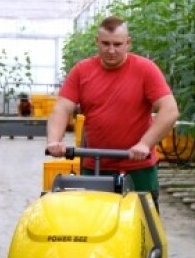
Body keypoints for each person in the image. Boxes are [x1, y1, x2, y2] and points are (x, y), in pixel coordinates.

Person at [46, 16, 179, 207]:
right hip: (95, 167)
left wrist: (144, 144)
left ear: (128, 43)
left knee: (143, 227)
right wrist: (54, 140)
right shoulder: (82, 71)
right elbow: (62, 108)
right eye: (105, 44)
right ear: (97, 42)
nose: (111, 50)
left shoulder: (145, 70)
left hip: (137, 168)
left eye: (117, 44)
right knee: (94, 223)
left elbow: (169, 110)